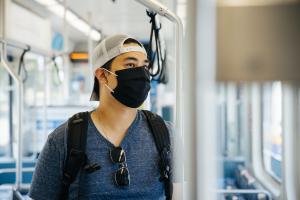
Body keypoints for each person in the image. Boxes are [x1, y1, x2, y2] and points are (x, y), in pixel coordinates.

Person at [29, 34, 176, 200]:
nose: (141, 74)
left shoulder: (165, 134)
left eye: (145, 66)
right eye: (130, 64)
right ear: (102, 75)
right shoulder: (63, 140)